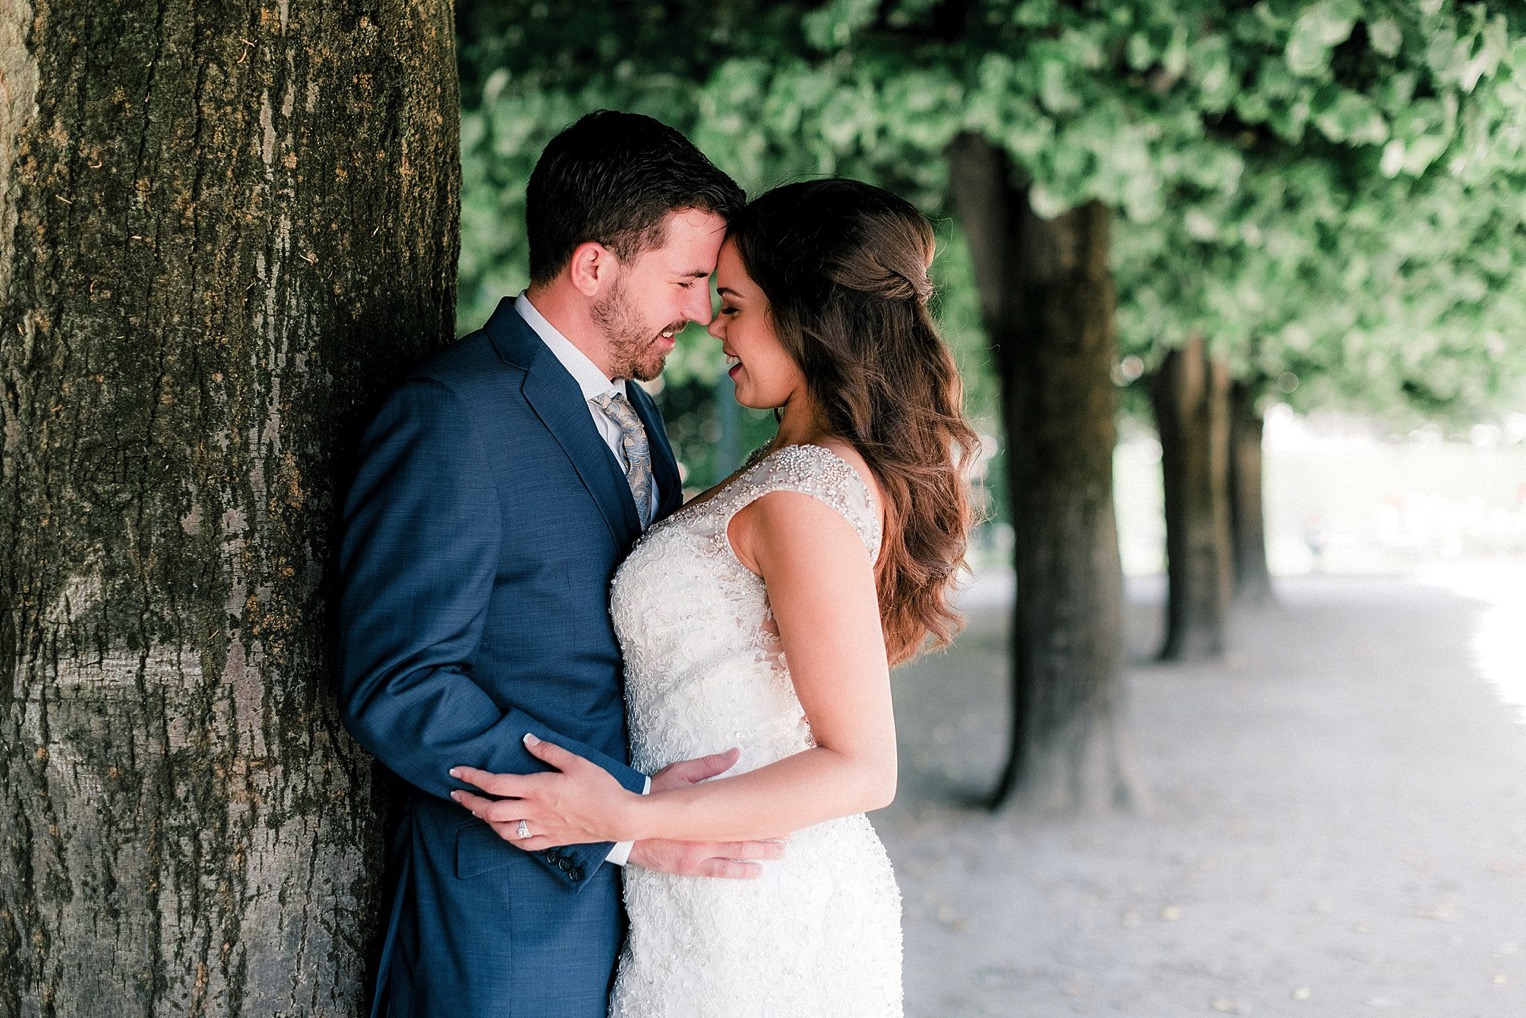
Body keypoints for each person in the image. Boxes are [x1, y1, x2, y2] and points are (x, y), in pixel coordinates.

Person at [451, 179, 981, 1017]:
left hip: (760, 906)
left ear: (805, 316)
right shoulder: (784, 468)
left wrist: (629, 816)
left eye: (733, 305)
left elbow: (863, 766)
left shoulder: (806, 493)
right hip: (703, 891)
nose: (714, 326)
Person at [336, 111, 782, 1018]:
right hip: (507, 915)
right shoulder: (451, 416)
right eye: (688, 279)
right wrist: (620, 819)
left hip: (650, 908)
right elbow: (401, 683)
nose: (701, 313)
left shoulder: (634, 411)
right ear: (593, 266)